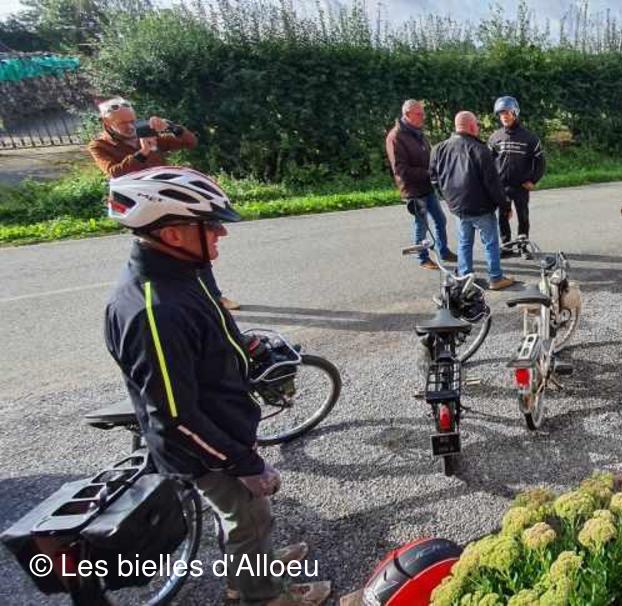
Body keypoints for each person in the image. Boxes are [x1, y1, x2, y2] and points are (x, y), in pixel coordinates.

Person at [102, 167, 331, 606]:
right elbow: (175, 415)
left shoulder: (184, 271)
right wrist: (243, 462)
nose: (221, 232)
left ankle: (252, 567)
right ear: (173, 233)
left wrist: (242, 347)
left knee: (250, 518)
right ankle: (263, 595)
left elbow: (209, 330)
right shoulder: (155, 312)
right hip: (206, 446)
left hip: (222, 425)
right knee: (248, 518)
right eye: (210, 224)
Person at [88, 96, 241, 310]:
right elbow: (114, 172)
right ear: (107, 122)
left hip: (169, 201)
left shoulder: (146, 133)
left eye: (132, 120)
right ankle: (168, 298)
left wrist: (171, 126)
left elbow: (190, 142)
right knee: (159, 251)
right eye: (122, 123)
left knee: (196, 243)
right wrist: (143, 153)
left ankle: (213, 296)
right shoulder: (99, 145)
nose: (130, 127)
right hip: (141, 207)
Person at [430, 111, 515, 291]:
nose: (478, 127)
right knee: (490, 242)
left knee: (464, 242)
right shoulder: (480, 150)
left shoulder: (439, 149)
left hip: (458, 207)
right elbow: (493, 184)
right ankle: (495, 277)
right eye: (476, 124)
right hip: (481, 207)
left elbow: (434, 179)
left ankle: (465, 277)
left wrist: (447, 199)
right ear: (471, 126)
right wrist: (505, 206)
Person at [386, 99, 455, 270]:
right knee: (421, 224)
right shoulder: (396, 137)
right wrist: (427, 173)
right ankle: (422, 258)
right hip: (413, 189)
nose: (423, 117)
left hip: (427, 186)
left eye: (423, 113)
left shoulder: (417, 132)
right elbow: (400, 170)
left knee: (440, 219)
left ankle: (443, 250)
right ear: (407, 114)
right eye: (419, 114)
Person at [487, 96, 545, 256]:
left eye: (507, 112)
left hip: (521, 186)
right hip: (501, 186)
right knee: (503, 216)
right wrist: (491, 183)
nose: (504, 116)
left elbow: (540, 162)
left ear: (515, 113)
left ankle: (522, 246)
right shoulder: (495, 137)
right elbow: (488, 163)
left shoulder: (530, 138)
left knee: (523, 216)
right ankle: (506, 246)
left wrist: (533, 180)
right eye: (501, 114)